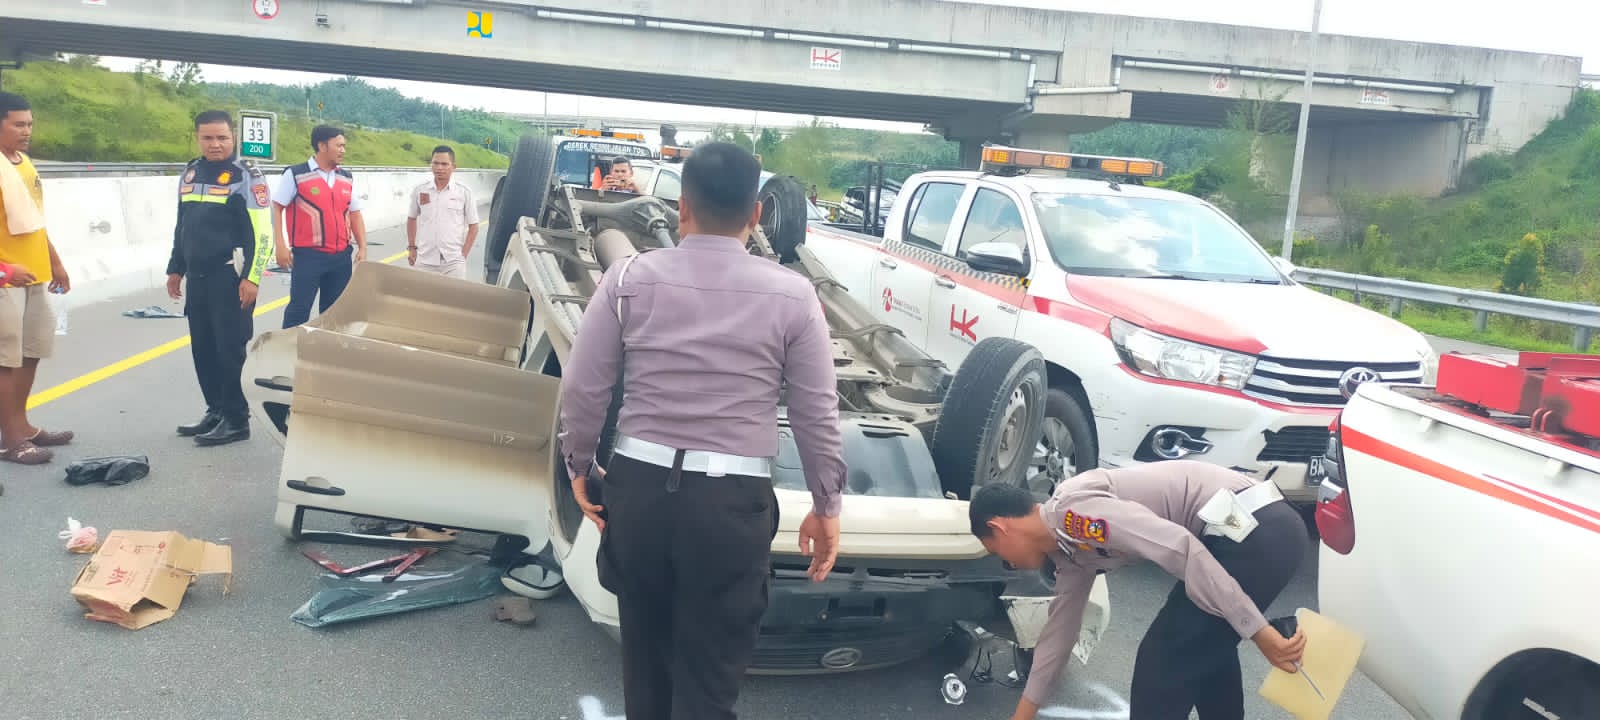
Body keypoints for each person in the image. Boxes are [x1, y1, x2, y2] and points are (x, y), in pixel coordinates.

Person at [558, 142, 845, 720]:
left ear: (681, 206)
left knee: (645, 673)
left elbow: (586, 388)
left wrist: (579, 465)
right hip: (730, 507)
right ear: (757, 213)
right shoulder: (794, 296)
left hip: (638, 496)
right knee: (709, 685)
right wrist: (826, 504)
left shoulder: (627, 278)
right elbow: (818, 412)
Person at [969, 460, 1310, 720]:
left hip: (1253, 531)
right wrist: (1023, 715)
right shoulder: (1068, 550)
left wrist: (1259, 632)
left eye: (999, 552)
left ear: (1000, 528)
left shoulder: (1074, 513)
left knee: (1161, 660)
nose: (1009, 564)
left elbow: (1180, 548)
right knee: (1204, 652)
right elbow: (1059, 634)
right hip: (1255, 530)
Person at [165, 110, 275, 447]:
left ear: (233, 137)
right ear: (198, 137)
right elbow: (183, 224)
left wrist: (252, 278)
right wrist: (175, 267)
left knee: (229, 350)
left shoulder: (248, 177)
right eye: (208, 138)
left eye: (222, 137)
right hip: (198, 277)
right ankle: (215, 410)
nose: (215, 144)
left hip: (231, 276)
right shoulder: (191, 172)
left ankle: (236, 419)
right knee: (204, 349)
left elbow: (264, 233)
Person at [0, 91, 72, 466]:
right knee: (5, 361)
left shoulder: (23, 164)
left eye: (29, 124)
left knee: (31, 353)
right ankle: (10, 439)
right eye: (18, 124)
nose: (26, 131)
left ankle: (22, 426)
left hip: (34, 273)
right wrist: (7, 270)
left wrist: (55, 262)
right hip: (4, 280)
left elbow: (34, 220)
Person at [272, 124, 366, 329]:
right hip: (308, 257)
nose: (343, 150)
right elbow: (277, 207)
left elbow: (355, 213)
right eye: (339, 145)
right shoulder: (296, 174)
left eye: (344, 146)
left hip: (341, 257)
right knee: (299, 309)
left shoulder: (346, 177)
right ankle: (290, 352)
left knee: (335, 311)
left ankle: (328, 354)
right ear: (322, 146)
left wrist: (363, 246)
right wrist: (280, 245)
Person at [405, 145, 479, 279]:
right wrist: (411, 248)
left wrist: (463, 255)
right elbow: (411, 218)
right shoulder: (420, 190)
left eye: (444, 164)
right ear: (431, 164)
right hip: (424, 260)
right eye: (436, 163)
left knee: (454, 300)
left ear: (453, 167)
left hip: (453, 263)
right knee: (421, 299)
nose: (439, 168)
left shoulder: (464, 192)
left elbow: (474, 226)